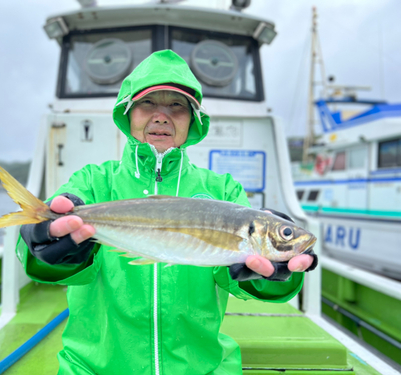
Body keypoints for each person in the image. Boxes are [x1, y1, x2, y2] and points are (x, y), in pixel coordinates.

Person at [16, 50, 317, 375]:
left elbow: (242, 276)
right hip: (93, 367)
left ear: (193, 120)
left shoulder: (224, 190)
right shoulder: (94, 181)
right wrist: (44, 247)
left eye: (177, 106)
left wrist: (276, 276)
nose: (162, 116)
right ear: (128, 114)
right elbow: (41, 251)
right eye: (148, 104)